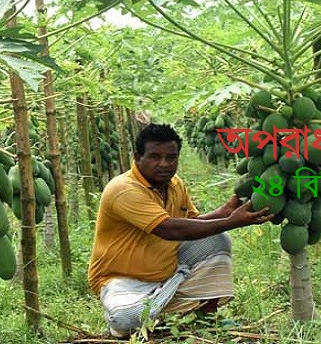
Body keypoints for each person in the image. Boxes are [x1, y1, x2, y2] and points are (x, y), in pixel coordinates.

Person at [87, 123, 272, 338]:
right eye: (155, 157)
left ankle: (206, 317)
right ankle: (141, 312)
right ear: (138, 157)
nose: (164, 164)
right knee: (126, 318)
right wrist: (232, 221)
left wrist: (223, 212)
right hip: (122, 279)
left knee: (217, 238)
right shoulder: (123, 189)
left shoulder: (175, 184)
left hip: (164, 272)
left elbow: (191, 223)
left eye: (171, 157)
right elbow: (168, 229)